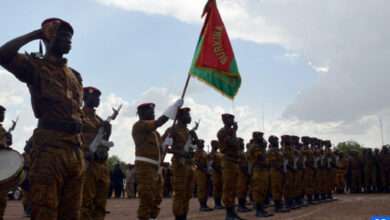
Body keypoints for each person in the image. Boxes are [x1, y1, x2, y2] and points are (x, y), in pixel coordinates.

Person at [0, 18, 85, 219]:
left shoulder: (75, 76)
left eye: (70, 36)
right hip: (49, 149)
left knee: (72, 213)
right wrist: (35, 34)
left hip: (75, 150)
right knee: (44, 210)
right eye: (62, 35)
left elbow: (77, 113)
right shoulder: (36, 66)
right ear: (48, 37)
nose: (68, 40)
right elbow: (3, 55)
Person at [132, 99, 183, 220]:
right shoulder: (139, 125)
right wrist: (173, 109)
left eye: (154, 112)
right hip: (145, 167)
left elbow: (161, 149)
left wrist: (166, 143)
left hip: (157, 168)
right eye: (150, 112)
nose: (153, 115)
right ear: (141, 114)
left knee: (157, 198)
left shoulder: (155, 133)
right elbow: (159, 122)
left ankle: (152, 218)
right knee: (147, 197)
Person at [80, 86, 112, 220]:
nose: (98, 99)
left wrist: (108, 133)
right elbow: (72, 137)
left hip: (102, 165)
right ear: (85, 97)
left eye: (99, 97)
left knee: (100, 204)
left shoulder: (99, 120)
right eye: (95, 96)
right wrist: (83, 153)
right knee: (85, 203)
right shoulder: (78, 116)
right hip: (88, 165)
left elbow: (103, 142)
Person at [162, 107, 197, 220]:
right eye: (187, 114)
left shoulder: (188, 131)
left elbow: (196, 146)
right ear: (179, 116)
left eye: (189, 114)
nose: (189, 116)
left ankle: (184, 216)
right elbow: (162, 146)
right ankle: (178, 217)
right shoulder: (173, 129)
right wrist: (178, 152)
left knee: (188, 194)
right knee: (180, 193)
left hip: (190, 164)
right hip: (179, 164)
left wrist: (195, 136)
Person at [217, 113, 245, 220]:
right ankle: (229, 213)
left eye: (233, 119)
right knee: (228, 187)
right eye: (230, 119)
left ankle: (233, 213)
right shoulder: (222, 132)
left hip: (234, 161)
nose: (232, 121)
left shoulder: (230, 132)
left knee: (234, 188)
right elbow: (232, 143)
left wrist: (234, 131)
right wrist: (235, 131)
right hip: (228, 161)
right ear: (224, 120)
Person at [249, 132, 273, 217]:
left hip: (263, 170)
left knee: (263, 189)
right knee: (258, 190)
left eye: (262, 137)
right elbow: (261, 157)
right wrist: (263, 147)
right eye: (260, 137)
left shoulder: (260, 147)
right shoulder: (255, 147)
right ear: (255, 137)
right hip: (258, 170)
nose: (262, 138)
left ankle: (262, 209)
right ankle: (259, 210)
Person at [267, 135, 288, 212]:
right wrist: (282, 171)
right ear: (271, 141)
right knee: (276, 189)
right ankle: (277, 206)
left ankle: (279, 204)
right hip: (276, 171)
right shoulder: (271, 151)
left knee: (280, 188)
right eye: (276, 140)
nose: (277, 141)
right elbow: (274, 162)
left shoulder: (278, 150)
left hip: (280, 171)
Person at [0, 105, 13, 220]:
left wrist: (9, 139)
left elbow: (8, 145)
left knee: (2, 200)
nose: (2, 116)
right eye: (0, 113)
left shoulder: (2, 130)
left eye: (3, 114)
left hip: (2, 168)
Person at [194, 139, 213, 211]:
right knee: (201, 188)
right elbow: (196, 162)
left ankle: (205, 204)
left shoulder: (204, 152)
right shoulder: (197, 152)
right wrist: (204, 169)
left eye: (203, 143)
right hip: (200, 172)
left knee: (206, 188)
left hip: (206, 172)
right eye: (201, 143)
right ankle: (202, 205)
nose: (203, 144)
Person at [236, 138, 251, 212]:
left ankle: (243, 205)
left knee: (244, 190)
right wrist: (246, 172)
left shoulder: (243, 152)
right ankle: (240, 206)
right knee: (241, 190)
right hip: (241, 173)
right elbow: (240, 164)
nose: (243, 144)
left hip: (245, 173)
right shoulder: (237, 152)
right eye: (242, 142)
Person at [210, 140, 224, 209]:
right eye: (215, 144)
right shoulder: (212, 153)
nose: (217, 145)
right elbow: (212, 164)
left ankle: (219, 203)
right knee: (217, 188)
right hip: (216, 172)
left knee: (220, 188)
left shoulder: (219, 153)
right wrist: (220, 171)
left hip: (221, 172)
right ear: (212, 145)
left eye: (217, 144)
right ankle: (216, 204)